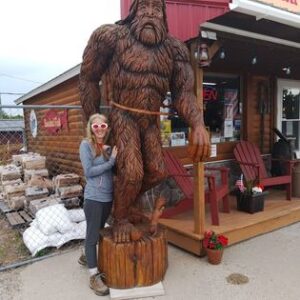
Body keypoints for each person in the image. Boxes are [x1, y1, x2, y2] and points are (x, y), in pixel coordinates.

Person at [79, 0, 210, 243]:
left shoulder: (174, 49)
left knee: (159, 172)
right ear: (133, 12)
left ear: (164, 16)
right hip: (122, 115)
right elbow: (88, 78)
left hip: (149, 120)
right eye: (144, 7)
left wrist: (198, 124)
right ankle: (120, 219)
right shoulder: (112, 37)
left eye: (156, 8)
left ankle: (125, 206)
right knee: (131, 173)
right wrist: (93, 124)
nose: (150, 13)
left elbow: (184, 93)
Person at [79, 113, 117, 296]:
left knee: (98, 230)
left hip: (108, 197)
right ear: (90, 128)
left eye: (103, 126)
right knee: (93, 236)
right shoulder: (86, 145)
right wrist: (110, 162)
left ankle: (86, 255)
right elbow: (89, 171)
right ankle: (94, 277)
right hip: (94, 198)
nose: (100, 129)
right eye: (96, 126)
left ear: (107, 127)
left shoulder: (109, 147)